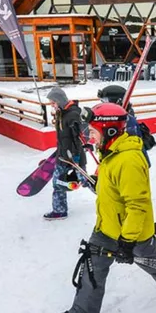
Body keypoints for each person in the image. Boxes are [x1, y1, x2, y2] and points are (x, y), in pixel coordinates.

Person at [53, 103, 156, 313]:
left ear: (110, 131)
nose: (90, 137)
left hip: (132, 232)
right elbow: (111, 188)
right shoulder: (110, 154)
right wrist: (92, 183)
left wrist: (128, 241)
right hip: (107, 227)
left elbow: (137, 204)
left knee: (153, 263)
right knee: (92, 268)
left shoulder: (129, 160)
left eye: (93, 132)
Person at [44, 87, 89, 221]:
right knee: (57, 183)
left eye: (53, 102)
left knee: (85, 181)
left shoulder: (72, 115)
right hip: (63, 156)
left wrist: (75, 157)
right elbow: (63, 138)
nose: (52, 105)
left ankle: (108, 196)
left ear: (59, 100)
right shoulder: (62, 113)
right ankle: (59, 211)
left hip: (73, 157)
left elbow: (79, 138)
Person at [97, 85, 154, 166]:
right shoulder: (118, 117)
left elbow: (121, 146)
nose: (103, 105)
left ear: (116, 101)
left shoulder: (125, 120)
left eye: (105, 101)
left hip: (131, 164)